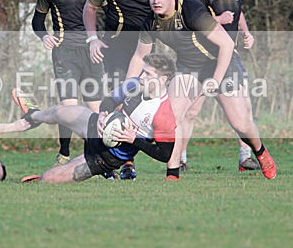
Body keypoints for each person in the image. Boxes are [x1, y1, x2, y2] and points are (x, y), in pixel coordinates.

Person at [126, 0, 277, 181]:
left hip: (221, 62)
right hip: (189, 68)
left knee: (241, 124)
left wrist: (215, 79)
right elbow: (138, 56)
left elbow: (226, 44)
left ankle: (260, 152)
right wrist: (126, 88)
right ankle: (173, 174)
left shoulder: (191, 9)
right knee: (172, 118)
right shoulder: (150, 21)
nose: (156, 1)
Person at [83, 0, 173, 179]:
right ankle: (116, 162)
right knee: (118, 99)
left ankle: (126, 162)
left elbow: (170, 0)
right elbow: (90, 7)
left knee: (139, 103)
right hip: (115, 46)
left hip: (146, 45)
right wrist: (92, 40)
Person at [13, 53, 176, 184]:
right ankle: (33, 115)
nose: (141, 76)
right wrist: (103, 114)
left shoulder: (164, 115)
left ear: (162, 80)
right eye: (142, 71)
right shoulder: (133, 84)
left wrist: (134, 140)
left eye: (147, 74)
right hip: (96, 125)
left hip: (106, 156)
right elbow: (109, 101)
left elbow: (164, 155)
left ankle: (46, 179)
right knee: (59, 112)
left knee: (49, 179)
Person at [185, 0, 259, 174]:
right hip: (203, 58)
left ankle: (245, 158)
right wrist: (217, 18)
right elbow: (192, 22)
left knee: (244, 108)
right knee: (190, 110)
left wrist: (246, 33)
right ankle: (179, 159)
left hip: (231, 56)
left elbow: (238, 14)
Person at [32, 0, 103, 166]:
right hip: (64, 52)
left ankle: (90, 157)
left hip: (91, 51)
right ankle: (64, 153)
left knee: (95, 109)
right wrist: (44, 37)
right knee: (68, 108)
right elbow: (37, 21)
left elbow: (110, 12)